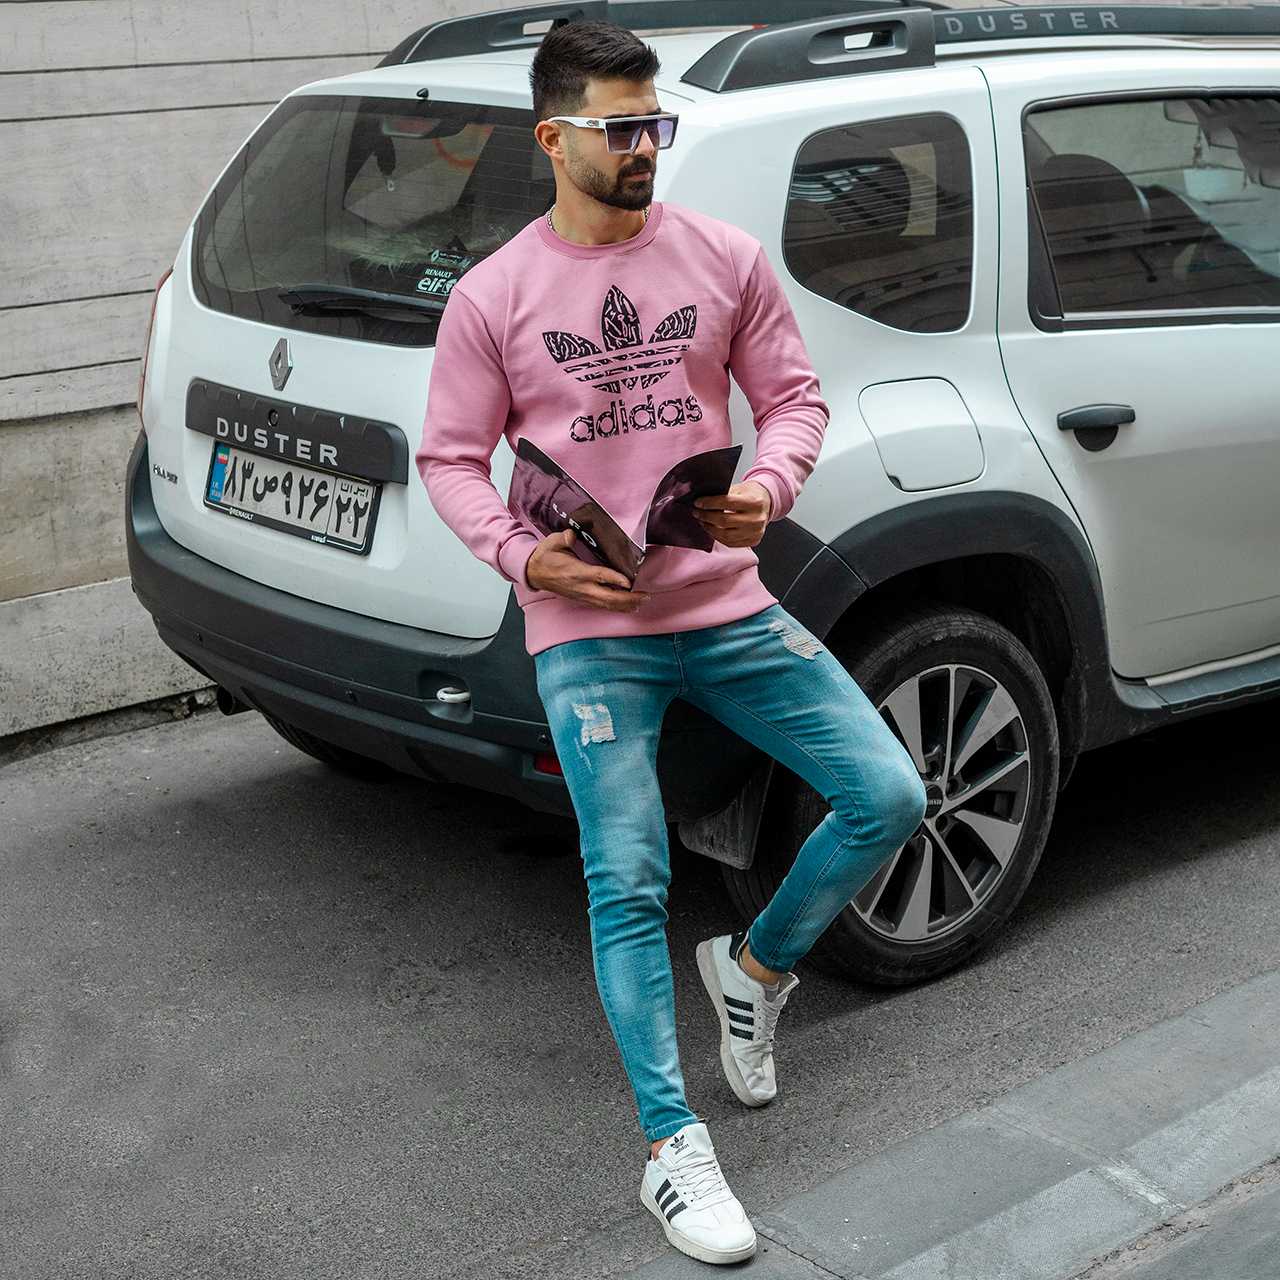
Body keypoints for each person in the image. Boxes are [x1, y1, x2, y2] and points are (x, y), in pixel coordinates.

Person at [418, 20, 927, 1266]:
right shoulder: (493, 296)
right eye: (618, 126)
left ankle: (754, 969)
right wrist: (519, 554)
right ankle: (669, 1143)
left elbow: (793, 397)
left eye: (653, 122)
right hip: (587, 628)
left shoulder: (721, 256)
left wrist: (767, 484)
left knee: (885, 792)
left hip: (725, 603)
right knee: (628, 874)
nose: (643, 145)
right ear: (553, 138)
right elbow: (448, 458)